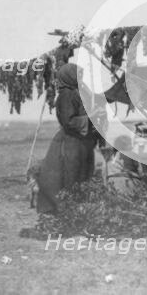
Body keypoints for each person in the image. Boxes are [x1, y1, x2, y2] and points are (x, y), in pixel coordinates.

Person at [36, 63, 104, 214]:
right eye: (77, 75)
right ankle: (68, 211)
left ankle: (79, 210)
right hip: (72, 142)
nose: (80, 78)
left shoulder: (78, 92)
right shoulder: (67, 94)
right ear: (69, 76)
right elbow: (68, 121)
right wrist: (90, 119)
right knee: (72, 176)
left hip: (83, 141)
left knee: (84, 174)